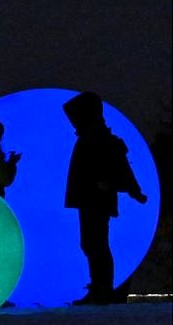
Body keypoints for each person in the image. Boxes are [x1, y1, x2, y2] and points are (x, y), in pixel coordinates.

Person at [63, 92, 147, 305]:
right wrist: (132, 189)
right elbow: (122, 168)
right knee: (92, 243)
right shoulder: (94, 138)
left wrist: (125, 187)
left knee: (95, 243)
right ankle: (100, 288)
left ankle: (102, 289)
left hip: (95, 200)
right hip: (90, 199)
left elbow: (121, 168)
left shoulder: (100, 139)